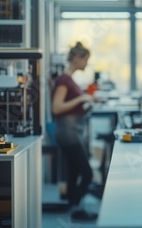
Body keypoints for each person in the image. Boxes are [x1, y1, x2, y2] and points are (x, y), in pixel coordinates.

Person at [52, 42, 98, 221]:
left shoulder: (69, 79)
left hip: (71, 132)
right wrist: (82, 98)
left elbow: (71, 107)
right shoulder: (64, 80)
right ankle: (76, 207)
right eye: (85, 59)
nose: (87, 63)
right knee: (87, 173)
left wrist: (85, 101)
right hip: (67, 133)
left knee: (73, 173)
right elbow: (57, 108)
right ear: (77, 58)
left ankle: (74, 210)